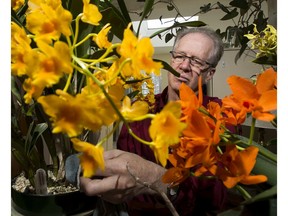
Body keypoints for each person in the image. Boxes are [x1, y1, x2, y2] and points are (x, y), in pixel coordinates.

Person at [80, 27, 226, 215]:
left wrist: (158, 179)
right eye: (180, 56)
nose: (184, 66)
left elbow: (215, 197)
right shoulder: (140, 111)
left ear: (210, 74)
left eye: (196, 61)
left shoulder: (219, 116)